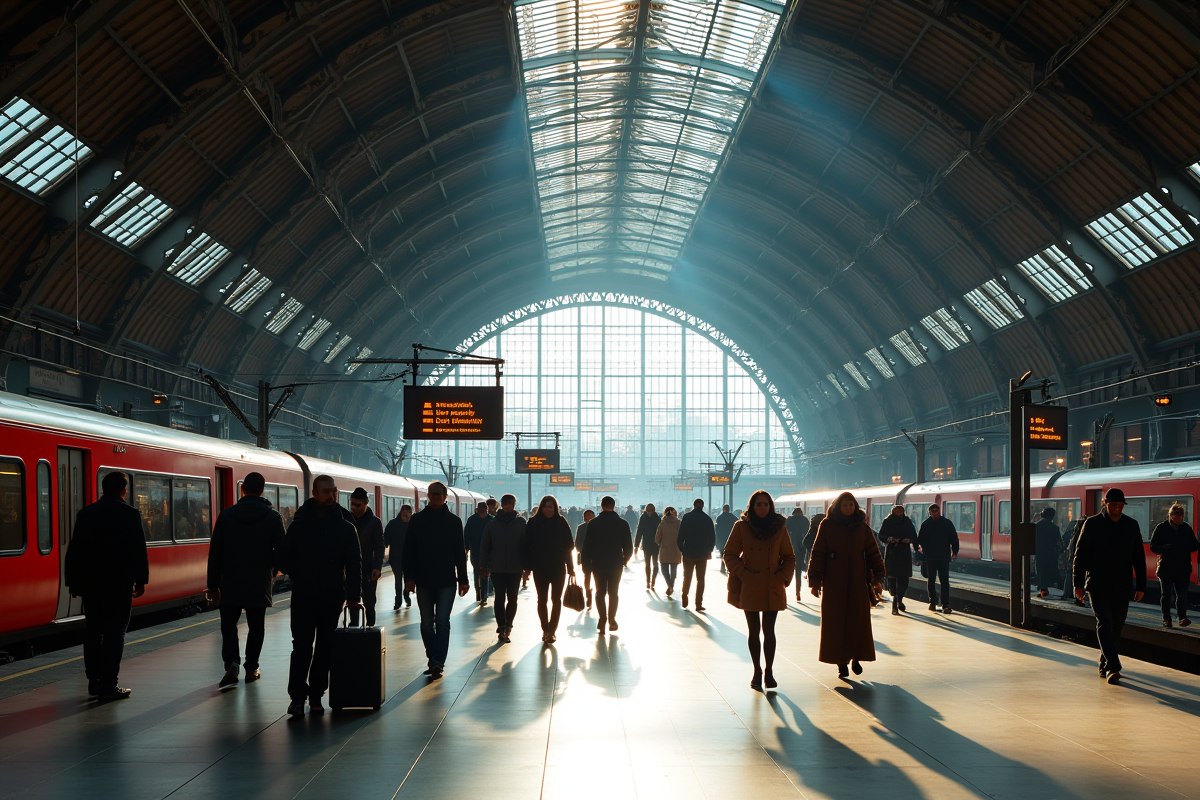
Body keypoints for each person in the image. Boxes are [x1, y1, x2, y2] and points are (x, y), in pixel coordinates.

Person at [278, 475, 362, 717]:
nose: (331, 496)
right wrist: (299, 573)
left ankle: (316, 695)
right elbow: (283, 557)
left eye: (334, 491)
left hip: (333, 595)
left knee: (325, 647)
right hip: (304, 594)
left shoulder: (346, 527)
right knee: (302, 646)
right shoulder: (299, 525)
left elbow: (354, 564)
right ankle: (297, 696)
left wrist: (354, 597)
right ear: (314, 493)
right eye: (326, 491)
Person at [64, 470, 149, 701]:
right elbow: (137, 550)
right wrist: (141, 580)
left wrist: (72, 581)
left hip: (91, 584)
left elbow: (74, 550)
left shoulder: (86, 514)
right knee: (115, 632)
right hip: (118, 584)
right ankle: (109, 684)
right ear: (124, 490)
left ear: (103, 488)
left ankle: (94, 680)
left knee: (93, 631)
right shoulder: (130, 514)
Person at [206, 471, 286, 688]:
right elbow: (282, 550)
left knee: (228, 625)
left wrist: (213, 585)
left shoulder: (226, 515)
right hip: (259, 581)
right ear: (262, 490)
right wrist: (273, 569)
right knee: (256, 626)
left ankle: (232, 664)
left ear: (242, 489)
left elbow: (216, 553)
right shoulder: (273, 517)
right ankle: (252, 667)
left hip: (230, 580)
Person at [1073, 488, 1147, 684]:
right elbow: (1080, 556)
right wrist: (1077, 584)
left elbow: (1138, 558)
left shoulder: (1131, 525)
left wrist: (1141, 586)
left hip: (1122, 585)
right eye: (1113, 504)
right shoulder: (1092, 524)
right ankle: (1113, 666)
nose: (1117, 508)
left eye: (1120, 505)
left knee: (1117, 626)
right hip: (1097, 584)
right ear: (1105, 503)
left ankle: (1105, 663)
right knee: (1105, 622)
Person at [724, 490, 795, 691]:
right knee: (753, 630)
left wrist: (782, 577)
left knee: (769, 630)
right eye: (758, 504)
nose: (762, 508)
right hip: (751, 583)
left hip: (772, 584)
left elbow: (789, 556)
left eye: (765, 504)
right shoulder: (741, 527)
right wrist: (743, 574)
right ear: (751, 506)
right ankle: (757, 670)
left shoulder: (779, 527)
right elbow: (729, 554)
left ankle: (770, 670)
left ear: (770, 506)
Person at [809, 492, 885, 679]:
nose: (849, 508)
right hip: (834, 581)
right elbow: (817, 553)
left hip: (858, 581)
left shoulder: (861, 527)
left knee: (857, 619)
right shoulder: (826, 525)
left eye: (851, 505)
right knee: (836, 622)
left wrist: (878, 576)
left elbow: (873, 552)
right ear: (837, 507)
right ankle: (840, 662)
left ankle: (856, 657)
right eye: (845, 505)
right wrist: (815, 580)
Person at [403, 482, 470, 679]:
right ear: (429, 495)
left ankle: (437, 661)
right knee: (425, 623)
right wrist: (409, 578)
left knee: (442, 621)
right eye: (434, 494)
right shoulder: (416, 521)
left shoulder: (454, 522)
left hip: (447, 581)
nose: (437, 497)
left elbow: (460, 553)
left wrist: (463, 580)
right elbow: (409, 552)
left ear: (445, 496)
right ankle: (432, 658)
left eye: (440, 494)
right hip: (423, 580)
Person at [521, 495, 576, 644]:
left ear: (555, 508)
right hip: (540, 566)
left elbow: (569, 547)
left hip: (558, 566)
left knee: (556, 600)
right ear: (541, 507)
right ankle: (545, 629)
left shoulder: (561, 522)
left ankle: (552, 630)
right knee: (542, 599)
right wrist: (526, 569)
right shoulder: (533, 522)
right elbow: (527, 546)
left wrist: (571, 567)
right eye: (546, 506)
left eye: (551, 507)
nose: (548, 509)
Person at [581, 496, 633, 635]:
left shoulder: (593, 524)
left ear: (602, 506)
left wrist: (585, 563)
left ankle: (602, 619)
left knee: (600, 592)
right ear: (614, 506)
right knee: (613, 592)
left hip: (598, 563)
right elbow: (628, 546)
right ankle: (612, 619)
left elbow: (587, 545)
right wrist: (625, 559)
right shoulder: (623, 524)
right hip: (616, 563)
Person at [481, 494, 527, 643]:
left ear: (514, 504)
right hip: (497, 568)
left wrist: (527, 566)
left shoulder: (521, 523)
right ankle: (502, 627)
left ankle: (509, 625)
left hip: (515, 568)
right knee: (499, 598)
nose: (507, 506)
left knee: (512, 598)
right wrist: (483, 565)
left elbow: (526, 545)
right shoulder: (492, 524)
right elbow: (485, 546)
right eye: (505, 503)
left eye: (510, 503)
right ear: (501, 505)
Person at [1149, 502, 1197, 628]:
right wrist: (1165, 548)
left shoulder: (1186, 528)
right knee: (1166, 595)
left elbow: (1194, 545)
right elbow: (1153, 547)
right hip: (1166, 568)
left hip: (1183, 568)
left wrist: (1188, 545)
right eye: (1176, 515)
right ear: (1170, 515)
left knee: (1182, 595)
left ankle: (1182, 617)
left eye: (1181, 515)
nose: (1179, 518)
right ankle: (1166, 617)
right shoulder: (1161, 528)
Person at [348, 487, 385, 627]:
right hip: (351, 569)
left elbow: (379, 546)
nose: (354, 508)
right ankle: (353, 629)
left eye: (357, 505)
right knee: (352, 601)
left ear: (365, 504)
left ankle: (370, 627)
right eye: (352, 504)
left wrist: (377, 567)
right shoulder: (347, 519)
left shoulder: (375, 522)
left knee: (369, 602)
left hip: (368, 569)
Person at [917, 503, 958, 614]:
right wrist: (920, 552)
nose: (935, 513)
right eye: (933, 511)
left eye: (936, 511)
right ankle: (933, 601)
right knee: (931, 580)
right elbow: (920, 539)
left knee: (944, 580)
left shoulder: (947, 524)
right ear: (929, 512)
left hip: (943, 556)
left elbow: (954, 537)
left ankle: (946, 604)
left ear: (939, 511)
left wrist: (955, 550)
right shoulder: (926, 525)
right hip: (930, 556)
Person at [678, 498, 715, 611]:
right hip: (702, 553)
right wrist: (709, 550)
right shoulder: (707, 519)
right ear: (703, 506)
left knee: (687, 577)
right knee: (700, 579)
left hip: (688, 552)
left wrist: (683, 550)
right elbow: (712, 538)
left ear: (693, 505)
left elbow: (680, 537)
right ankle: (698, 603)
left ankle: (684, 595)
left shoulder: (686, 518)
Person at [878, 505, 916, 615]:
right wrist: (888, 539)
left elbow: (914, 535)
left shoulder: (907, 522)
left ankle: (899, 599)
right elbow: (881, 535)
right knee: (892, 577)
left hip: (904, 552)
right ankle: (895, 600)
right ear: (893, 511)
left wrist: (909, 540)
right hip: (892, 552)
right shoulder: (888, 521)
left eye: (901, 510)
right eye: (897, 510)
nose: (899, 512)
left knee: (904, 579)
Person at [464, 501, 493, 607]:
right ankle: (480, 592)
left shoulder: (472, 520)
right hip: (477, 550)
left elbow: (466, 534)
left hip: (485, 550)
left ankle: (483, 593)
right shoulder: (490, 520)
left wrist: (467, 547)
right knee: (479, 571)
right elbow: (466, 535)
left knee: (483, 571)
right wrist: (467, 547)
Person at [385, 504, 412, 609]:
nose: (406, 518)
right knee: (398, 579)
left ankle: (406, 595)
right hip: (396, 557)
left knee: (407, 579)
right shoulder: (392, 524)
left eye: (408, 516)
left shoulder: (412, 525)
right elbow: (386, 539)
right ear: (400, 513)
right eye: (405, 515)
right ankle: (398, 600)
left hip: (409, 558)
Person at [1034, 508, 1062, 598]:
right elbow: (1059, 542)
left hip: (1040, 553)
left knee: (1041, 571)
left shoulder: (1037, 526)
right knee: (1052, 570)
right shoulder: (1055, 528)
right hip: (1051, 554)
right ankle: (1062, 587)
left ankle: (1043, 589)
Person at [634, 503, 662, 590]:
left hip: (652, 544)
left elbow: (640, 531)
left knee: (653, 563)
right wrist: (636, 545)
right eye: (648, 511)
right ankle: (648, 581)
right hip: (650, 544)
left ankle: (652, 580)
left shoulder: (645, 518)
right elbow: (639, 531)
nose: (649, 513)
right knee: (648, 564)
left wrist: (637, 545)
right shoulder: (657, 518)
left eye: (650, 511)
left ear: (653, 511)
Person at [655, 507, 682, 596]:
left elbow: (657, 539)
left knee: (664, 569)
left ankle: (669, 584)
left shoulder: (662, 524)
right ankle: (672, 585)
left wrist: (660, 542)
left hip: (665, 549)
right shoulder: (679, 523)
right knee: (674, 569)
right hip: (676, 549)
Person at [785, 508, 810, 601]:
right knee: (798, 572)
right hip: (801, 550)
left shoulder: (788, 521)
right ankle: (797, 592)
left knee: (786, 572)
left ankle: (784, 591)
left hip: (789, 550)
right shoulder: (805, 521)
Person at [575, 509, 596, 608]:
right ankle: (588, 594)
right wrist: (582, 550)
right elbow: (577, 542)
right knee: (587, 576)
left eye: (592, 516)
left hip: (596, 557)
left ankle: (595, 594)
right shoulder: (581, 528)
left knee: (597, 577)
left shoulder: (598, 527)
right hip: (585, 557)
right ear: (584, 517)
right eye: (588, 516)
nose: (590, 518)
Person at [1061, 518, 1085, 606]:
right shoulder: (1081, 535)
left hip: (1072, 558)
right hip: (1075, 559)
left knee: (1069, 576)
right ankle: (1077, 597)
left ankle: (1067, 593)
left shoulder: (1073, 534)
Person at [715, 504, 738, 575]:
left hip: (722, 539)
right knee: (729, 553)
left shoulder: (719, 518)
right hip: (730, 538)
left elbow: (717, 530)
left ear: (723, 509)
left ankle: (723, 565)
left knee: (722, 553)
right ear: (729, 509)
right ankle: (728, 566)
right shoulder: (734, 518)